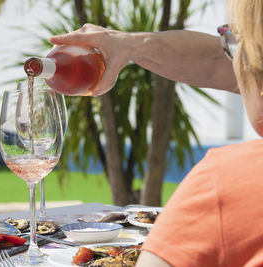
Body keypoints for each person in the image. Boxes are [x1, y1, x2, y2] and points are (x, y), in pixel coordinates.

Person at [51, 0, 263, 266]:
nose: (233, 64)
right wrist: (126, 45)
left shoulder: (224, 182)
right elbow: (212, 61)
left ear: (251, 62)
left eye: (234, 41)